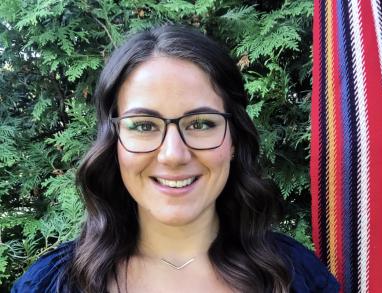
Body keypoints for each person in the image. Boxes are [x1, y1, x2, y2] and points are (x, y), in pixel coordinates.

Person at [12, 24, 339, 293]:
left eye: (201, 124)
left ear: (235, 139)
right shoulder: (48, 284)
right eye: (143, 125)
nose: (173, 155)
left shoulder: (298, 277)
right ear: (114, 143)